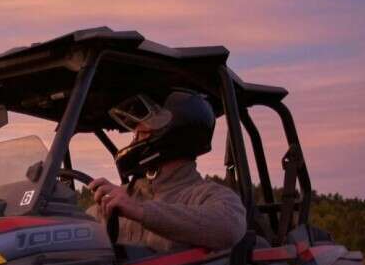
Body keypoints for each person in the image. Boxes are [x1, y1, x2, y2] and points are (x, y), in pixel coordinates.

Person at [86, 90, 246, 252]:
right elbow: (81, 224)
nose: (133, 141)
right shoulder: (123, 196)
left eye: (141, 134)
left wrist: (141, 210)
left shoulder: (208, 195)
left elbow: (230, 227)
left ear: (169, 135)